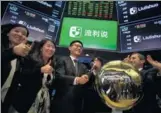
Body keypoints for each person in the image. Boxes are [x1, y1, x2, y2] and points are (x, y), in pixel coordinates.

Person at [6, 39, 57, 113]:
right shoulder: (30, 59)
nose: (51, 49)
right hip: (25, 101)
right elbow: (21, 77)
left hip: (43, 102)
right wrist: (40, 70)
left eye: (53, 47)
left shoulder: (53, 64)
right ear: (41, 48)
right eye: (48, 46)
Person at [51, 40, 89, 113]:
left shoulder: (83, 66)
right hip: (62, 101)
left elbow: (88, 77)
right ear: (69, 48)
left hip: (77, 104)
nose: (78, 48)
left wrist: (87, 76)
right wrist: (76, 80)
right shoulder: (62, 59)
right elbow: (59, 76)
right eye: (76, 46)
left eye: (80, 47)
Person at [1, 23, 31, 112]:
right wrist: (12, 51)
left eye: (24, 34)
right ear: (7, 33)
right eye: (16, 31)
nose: (20, 34)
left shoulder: (21, 57)